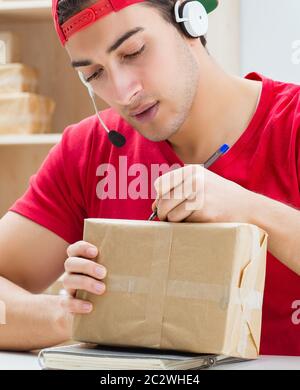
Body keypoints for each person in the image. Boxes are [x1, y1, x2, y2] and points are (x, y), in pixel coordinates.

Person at [0, 0, 299, 355]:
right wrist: (69, 315)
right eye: (94, 74)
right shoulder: (87, 151)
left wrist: (249, 210)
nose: (123, 92)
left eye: (133, 51)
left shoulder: (291, 125)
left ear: (191, 19)